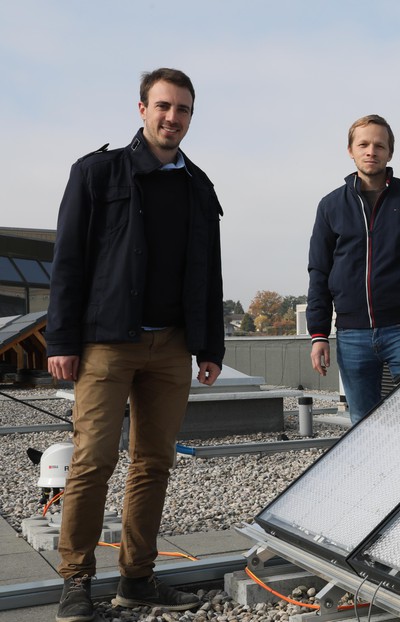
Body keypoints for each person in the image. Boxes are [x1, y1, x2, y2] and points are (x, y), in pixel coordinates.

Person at [46, 68, 224, 622]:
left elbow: (208, 272)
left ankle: (136, 578)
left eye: (184, 110)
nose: (173, 118)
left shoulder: (199, 187)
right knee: (91, 462)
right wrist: (61, 338)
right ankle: (76, 581)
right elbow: (69, 260)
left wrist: (209, 347)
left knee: (153, 463)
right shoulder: (97, 172)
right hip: (107, 343)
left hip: (171, 347)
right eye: (164, 106)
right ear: (142, 109)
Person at [307, 115, 400, 424]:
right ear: (350, 150)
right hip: (351, 336)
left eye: (379, 145)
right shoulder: (330, 206)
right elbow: (319, 271)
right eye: (364, 144)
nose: (371, 151)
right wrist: (318, 334)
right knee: (363, 424)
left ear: (389, 152)